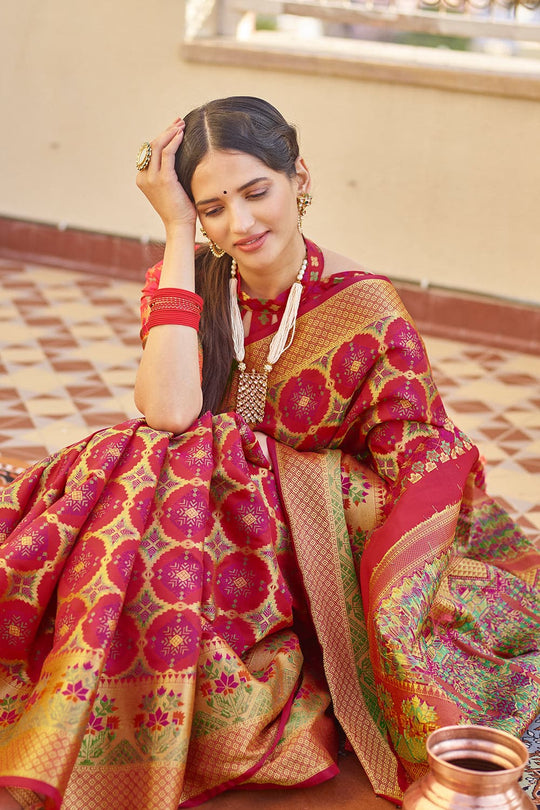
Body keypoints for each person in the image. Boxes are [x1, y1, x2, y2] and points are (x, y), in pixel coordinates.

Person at [0, 96, 538, 810]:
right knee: (143, 456)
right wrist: (175, 233)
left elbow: (419, 467)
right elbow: (166, 411)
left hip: (317, 549)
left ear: (300, 179)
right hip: (209, 526)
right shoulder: (190, 280)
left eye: (257, 192)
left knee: (168, 462)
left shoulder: (366, 311)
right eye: (212, 207)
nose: (241, 224)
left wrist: (272, 480)